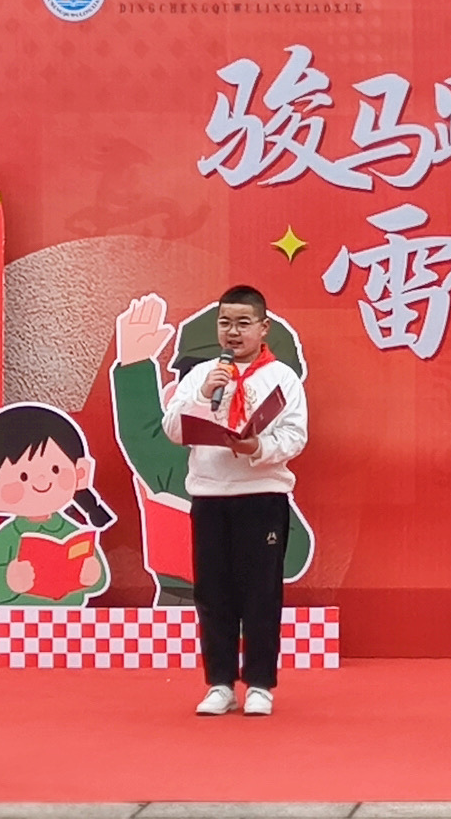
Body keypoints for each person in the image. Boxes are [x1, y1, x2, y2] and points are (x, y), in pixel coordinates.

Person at [162, 285, 308, 717]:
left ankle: (260, 684)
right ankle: (220, 684)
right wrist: (203, 394)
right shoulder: (200, 375)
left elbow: (295, 436)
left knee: (261, 593)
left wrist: (257, 447)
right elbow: (173, 430)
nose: (233, 332)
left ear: (264, 328)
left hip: (263, 496)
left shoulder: (282, 377)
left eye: (244, 323)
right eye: (225, 322)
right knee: (213, 593)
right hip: (210, 496)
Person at [0, 404, 115, 607]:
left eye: (55, 469)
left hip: (72, 618)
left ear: (80, 473)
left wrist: (92, 574)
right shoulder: (9, 536)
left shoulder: (72, 532)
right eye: (23, 476)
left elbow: (98, 580)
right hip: (16, 620)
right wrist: (8, 580)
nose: (41, 481)